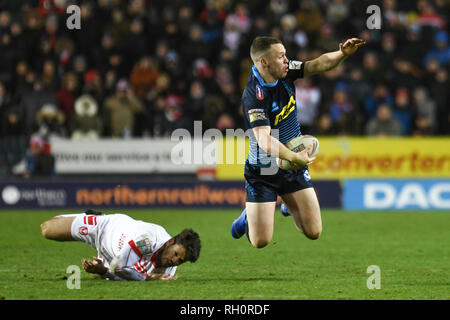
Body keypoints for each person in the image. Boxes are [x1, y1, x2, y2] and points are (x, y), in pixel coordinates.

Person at [231, 36, 365, 248]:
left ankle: (286, 200)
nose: (286, 60)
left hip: (291, 163)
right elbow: (265, 140)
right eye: (281, 56)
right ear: (264, 62)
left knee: (314, 232)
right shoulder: (254, 95)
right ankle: (249, 216)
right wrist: (295, 157)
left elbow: (316, 64)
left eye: (285, 55)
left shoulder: (284, 70)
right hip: (263, 169)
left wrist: (342, 54)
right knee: (260, 241)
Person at [40, 210, 201, 281]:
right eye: (175, 254)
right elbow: (120, 268)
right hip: (104, 229)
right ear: (171, 242)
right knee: (47, 230)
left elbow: (123, 275)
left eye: (180, 260)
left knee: (101, 275)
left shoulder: (168, 271)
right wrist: (149, 279)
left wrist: (103, 270)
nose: (174, 261)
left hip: (116, 255)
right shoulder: (148, 240)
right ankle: (91, 214)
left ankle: (101, 262)